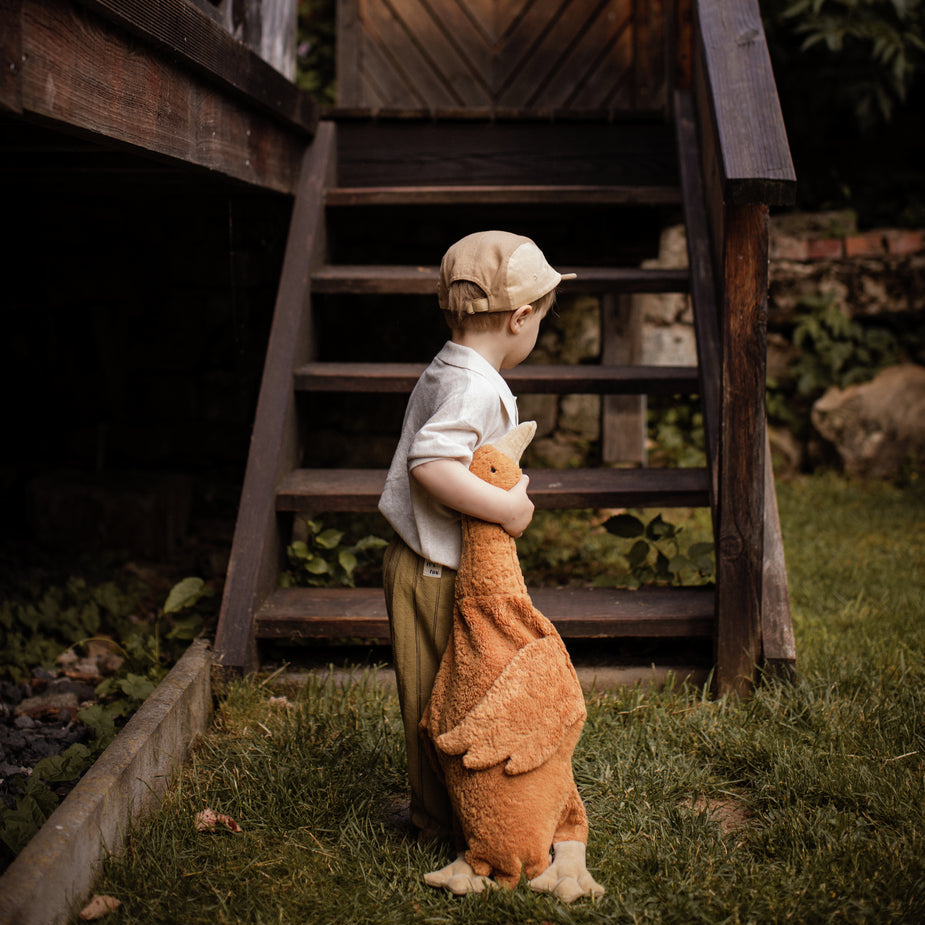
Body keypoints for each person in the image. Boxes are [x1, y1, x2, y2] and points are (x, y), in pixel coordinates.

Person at [378, 230, 575, 844]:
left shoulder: (460, 368)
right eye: (541, 317)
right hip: (431, 573)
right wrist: (509, 510)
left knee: (465, 689)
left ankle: (469, 802)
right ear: (520, 318)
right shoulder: (472, 385)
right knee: (436, 695)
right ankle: (437, 820)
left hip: (444, 568)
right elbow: (431, 464)